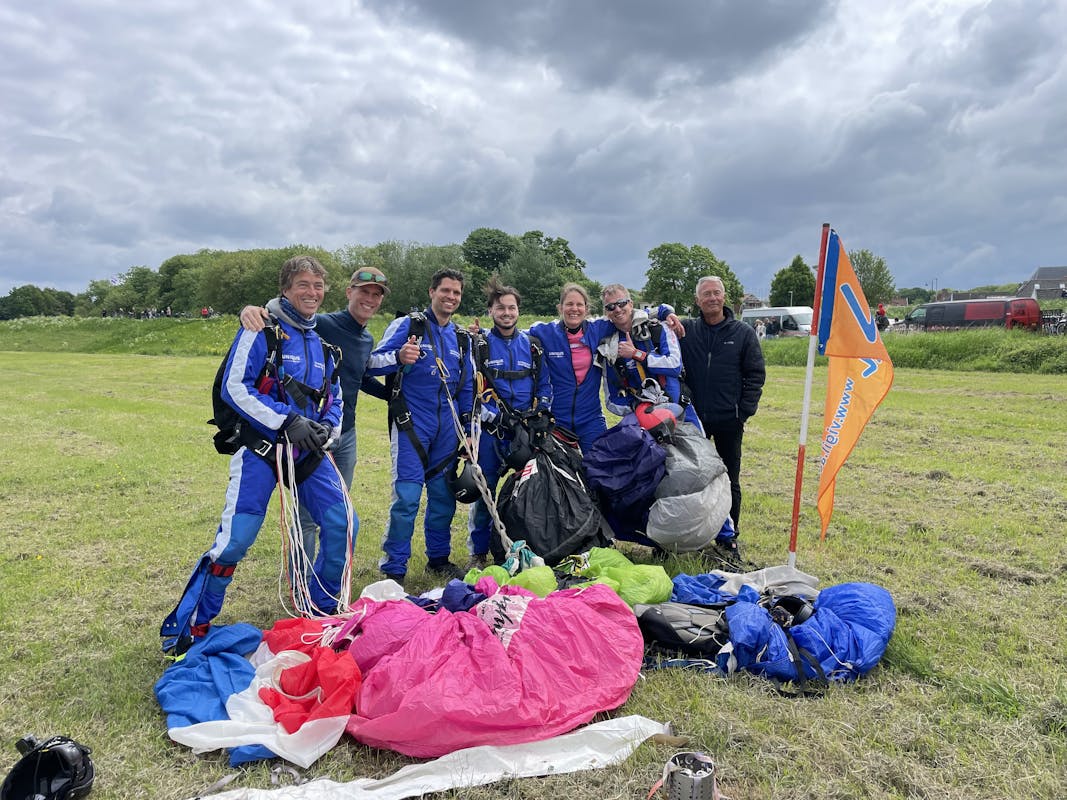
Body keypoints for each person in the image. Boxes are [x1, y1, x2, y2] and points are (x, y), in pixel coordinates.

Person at [161, 255, 352, 654]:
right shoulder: (260, 330)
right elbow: (235, 388)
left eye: (318, 286)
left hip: (306, 453)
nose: (312, 293)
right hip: (261, 451)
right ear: (286, 289)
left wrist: (327, 430)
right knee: (235, 542)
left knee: (343, 523)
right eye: (303, 285)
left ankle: (321, 609)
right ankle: (192, 626)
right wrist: (287, 421)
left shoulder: (323, 346)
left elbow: (334, 397)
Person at [239, 267, 390, 561]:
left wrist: (392, 396)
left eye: (376, 295)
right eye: (364, 292)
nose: (370, 299)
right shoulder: (322, 323)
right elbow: (282, 313)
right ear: (349, 292)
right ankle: (302, 579)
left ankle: (326, 577)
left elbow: (358, 377)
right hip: (306, 433)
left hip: (344, 432)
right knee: (307, 516)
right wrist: (249, 311)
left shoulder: (366, 339)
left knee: (337, 511)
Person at [367, 268, 475, 585]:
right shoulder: (409, 326)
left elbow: (466, 387)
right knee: (407, 497)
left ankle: (438, 560)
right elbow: (370, 363)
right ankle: (394, 568)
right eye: (445, 290)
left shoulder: (460, 338)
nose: (451, 297)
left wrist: (468, 428)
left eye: (456, 292)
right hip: (412, 426)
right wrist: (399, 357)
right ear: (432, 292)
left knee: (443, 498)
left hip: (447, 432)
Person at [672, 276, 765, 560]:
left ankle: (729, 539)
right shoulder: (686, 331)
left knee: (728, 479)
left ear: (724, 297)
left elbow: (755, 375)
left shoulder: (743, 333)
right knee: (687, 478)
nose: (712, 298)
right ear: (697, 300)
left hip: (728, 420)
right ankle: (684, 536)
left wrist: (743, 411)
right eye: (706, 294)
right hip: (692, 421)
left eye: (716, 293)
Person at [467, 277, 553, 567]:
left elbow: (545, 384)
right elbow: (471, 392)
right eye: (500, 308)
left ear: (518, 311)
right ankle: (478, 552)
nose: (506, 313)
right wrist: (497, 416)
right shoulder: (479, 346)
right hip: (493, 432)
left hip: (524, 433)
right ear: (490, 311)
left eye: (511, 308)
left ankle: (528, 545)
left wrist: (540, 414)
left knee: (530, 491)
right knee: (485, 492)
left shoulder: (533, 346)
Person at [527, 283, 618, 455]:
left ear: (586, 309)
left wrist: (665, 312)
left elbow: (628, 316)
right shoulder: (545, 332)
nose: (574, 309)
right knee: (559, 469)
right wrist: (480, 332)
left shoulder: (598, 329)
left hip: (591, 418)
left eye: (579, 304)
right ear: (560, 307)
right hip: (557, 419)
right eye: (569, 304)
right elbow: (513, 336)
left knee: (600, 465)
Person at [598, 283, 702, 431]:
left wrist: (636, 354)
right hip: (645, 422)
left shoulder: (659, 327)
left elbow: (674, 366)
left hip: (681, 413)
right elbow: (611, 400)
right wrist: (638, 407)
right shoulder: (610, 347)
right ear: (606, 312)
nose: (617, 309)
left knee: (700, 447)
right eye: (610, 307)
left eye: (621, 303)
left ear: (631, 303)